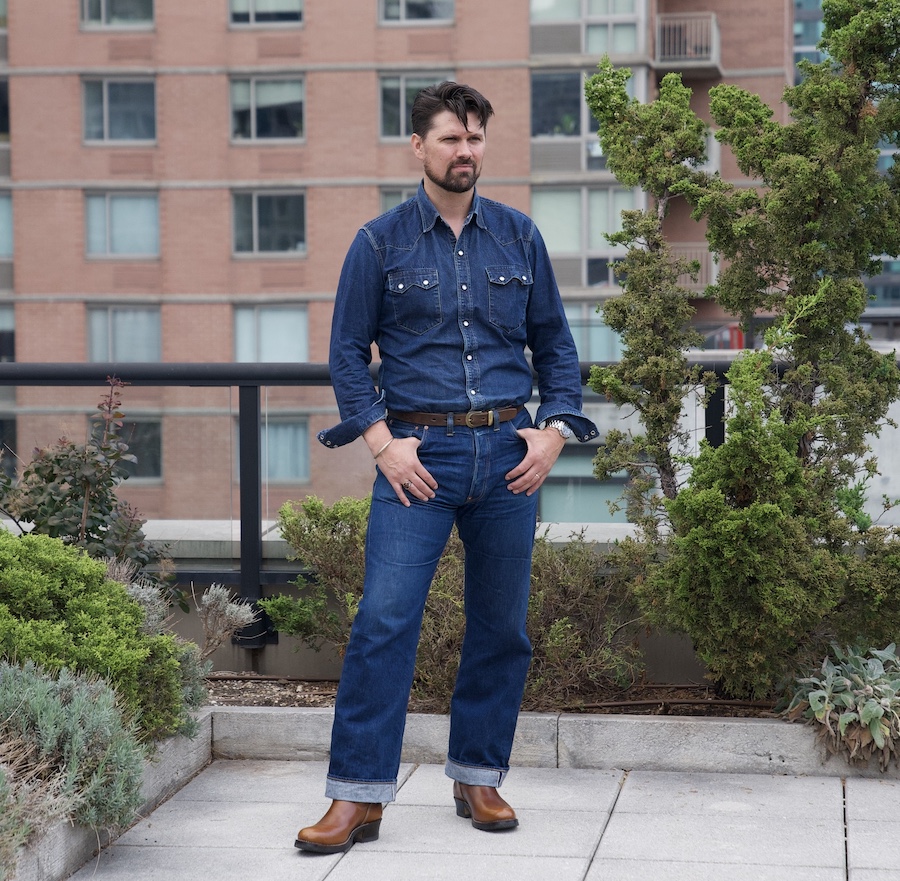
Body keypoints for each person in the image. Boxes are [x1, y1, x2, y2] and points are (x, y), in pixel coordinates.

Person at [295, 81, 598, 855]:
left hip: (507, 460)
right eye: (451, 138)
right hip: (416, 462)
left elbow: (556, 347)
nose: (466, 151)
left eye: (475, 138)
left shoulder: (520, 237)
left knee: (501, 626)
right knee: (383, 620)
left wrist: (553, 433)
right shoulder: (379, 242)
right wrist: (381, 442)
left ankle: (477, 775)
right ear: (418, 147)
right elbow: (346, 353)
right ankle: (357, 795)